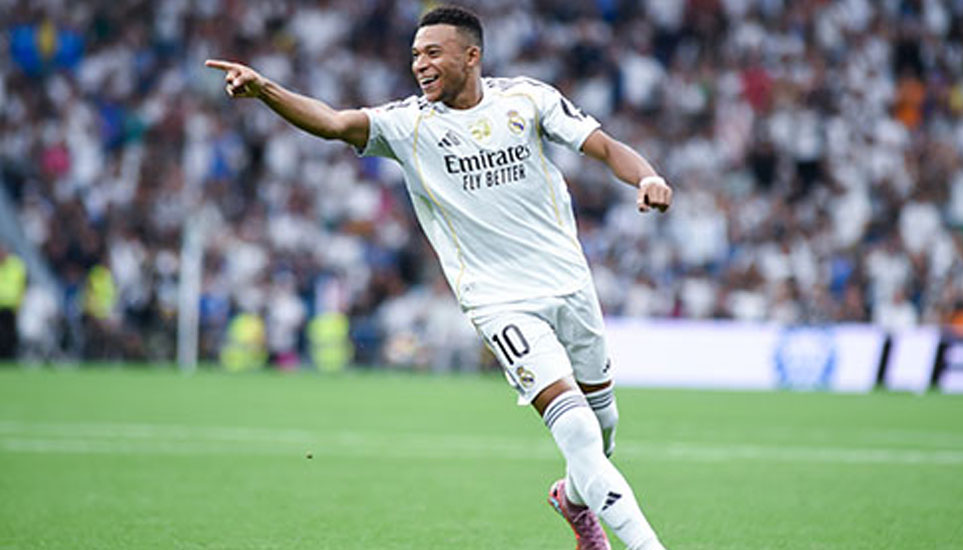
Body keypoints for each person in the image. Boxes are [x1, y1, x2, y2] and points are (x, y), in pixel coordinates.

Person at [206, 6, 672, 549]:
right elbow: (333, 122)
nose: (419, 65)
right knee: (577, 430)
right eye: (414, 55)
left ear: (471, 56)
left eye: (432, 53)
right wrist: (265, 90)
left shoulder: (527, 99)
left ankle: (571, 500)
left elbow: (606, 147)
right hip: (499, 301)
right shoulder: (408, 124)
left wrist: (647, 177)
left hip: (571, 285)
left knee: (602, 431)